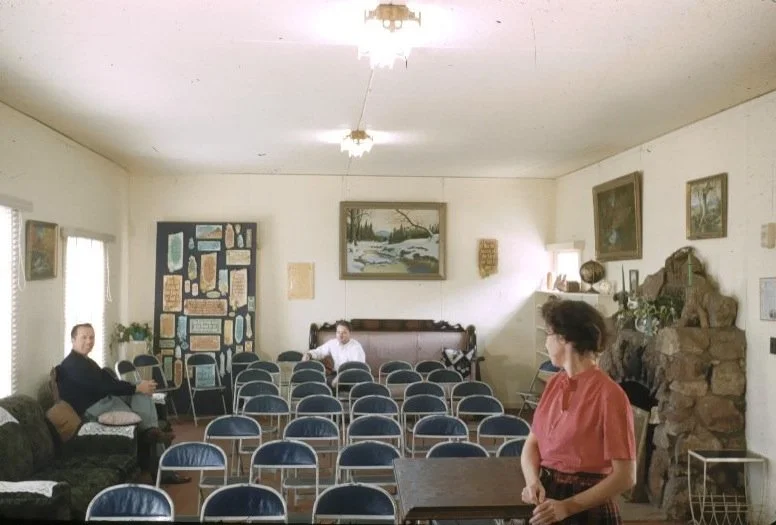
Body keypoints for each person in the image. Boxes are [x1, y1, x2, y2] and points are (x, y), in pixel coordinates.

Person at [520, 300, 636, 525]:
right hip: (547, 502)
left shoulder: (610, 395)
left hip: (586, 508)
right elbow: (531, 444)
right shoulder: (554, 384)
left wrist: (568, 506)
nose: (546, 342)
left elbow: (626, 476)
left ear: (565, 338)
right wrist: (532, 481)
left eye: (548, 334)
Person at [57, 323, 189, 484]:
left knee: (143, 395)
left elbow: (109, 381)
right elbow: (102, 386)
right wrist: (135, 387)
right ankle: (160, 463)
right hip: (94, 409)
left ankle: (151, 431)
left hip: (108, 399)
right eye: (84, 337)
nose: (89, 341)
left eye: (91, 337)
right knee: (138, 399)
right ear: (73, 340)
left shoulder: (86, 361)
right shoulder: (72, 365)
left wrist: (138, 388)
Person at [303, 320, 365, 387]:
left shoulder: (356, 347)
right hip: (336, 374)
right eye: (338, 332)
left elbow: (358, 368)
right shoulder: (333, 343)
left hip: (352, 376)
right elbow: (320, 351)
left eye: (344, 333)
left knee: (332, 384)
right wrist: (309, 354)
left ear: (350, 333)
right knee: (321, 382)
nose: (340, 335)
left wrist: (341, 376)